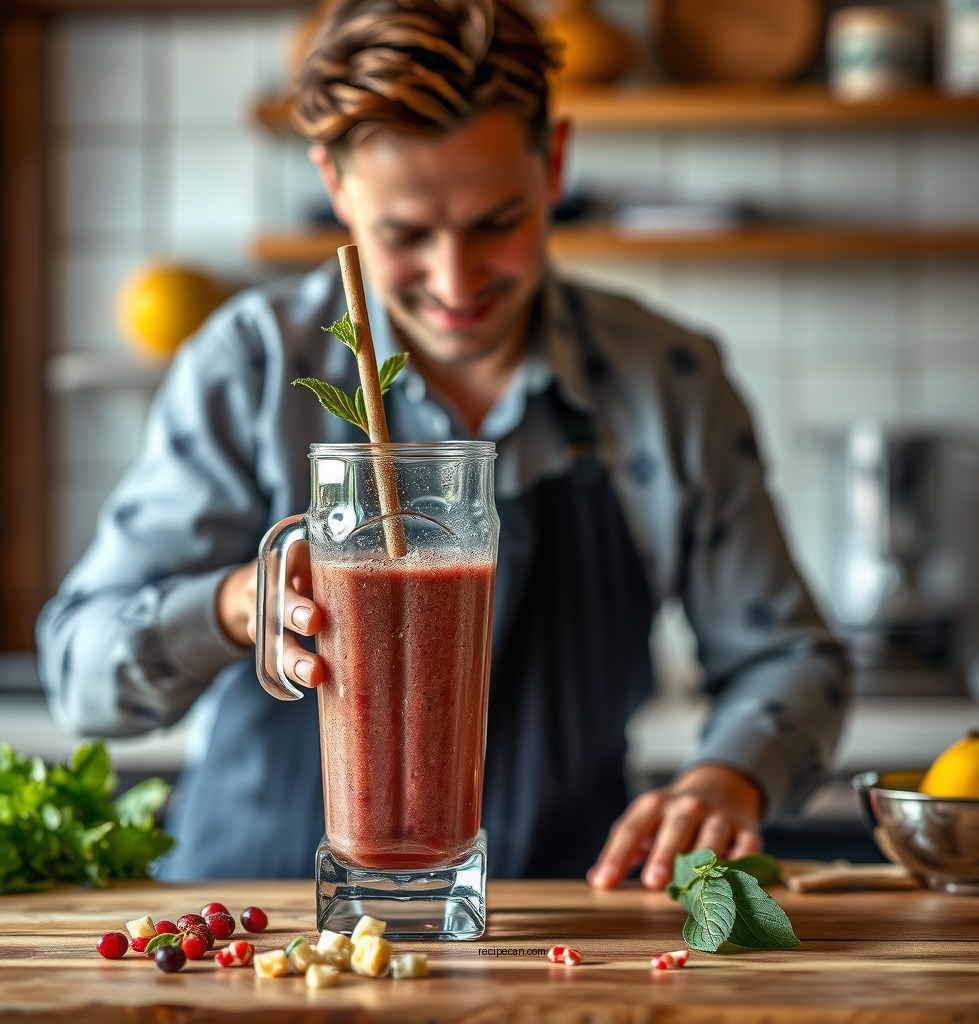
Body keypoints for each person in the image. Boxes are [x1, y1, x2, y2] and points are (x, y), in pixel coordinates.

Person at [37, 0, 848, 888]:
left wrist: (725, 779)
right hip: (258, 929)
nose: (456, 280)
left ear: (556, 163)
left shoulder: (666, 379)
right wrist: (237, 605)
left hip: (556, 927)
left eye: (497, 221)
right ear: (338, 187)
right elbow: (80, 670)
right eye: (407, 235)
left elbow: (790, 658)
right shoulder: (253, 368)